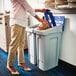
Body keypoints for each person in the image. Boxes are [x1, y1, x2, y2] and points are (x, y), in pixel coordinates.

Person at [7, 0, 48, 75]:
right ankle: (10, 65)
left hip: (22, 22)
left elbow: (25, 8)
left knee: (21, 44)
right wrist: (40, 20)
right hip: (16, 22)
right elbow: (28, 7)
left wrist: (39, 10)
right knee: (14, 44)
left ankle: (21, 62)